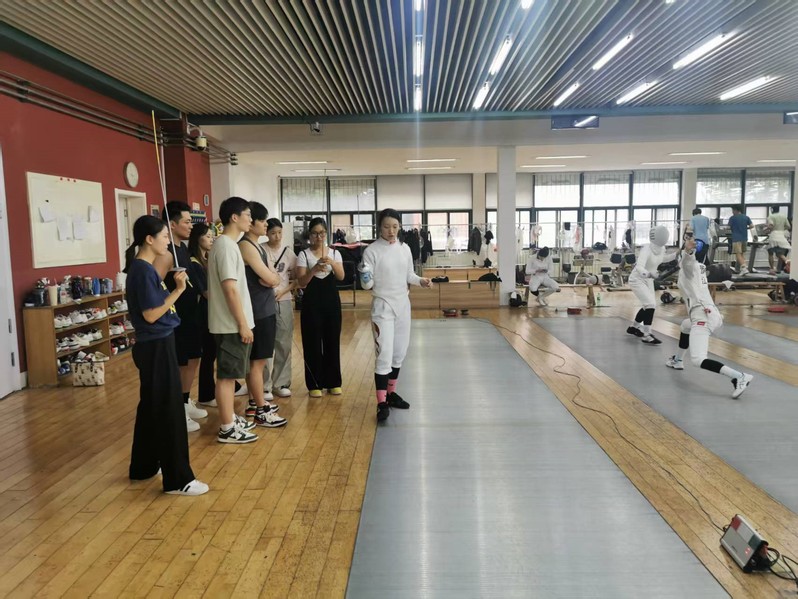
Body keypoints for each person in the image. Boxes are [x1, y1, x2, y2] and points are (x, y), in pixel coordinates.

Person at [124, 215, 208, 496]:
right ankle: (178, 480)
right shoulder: (142, 270)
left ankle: (144, 466)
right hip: (156, 345)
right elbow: (151, 314)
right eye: (163, 237)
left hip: (158, 343)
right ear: (149, 239)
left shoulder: (145, 269)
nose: (167, 243)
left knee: (151, 406)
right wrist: (179, 290)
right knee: (170, 410)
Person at [359, 208, 432, 422]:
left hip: (403, 306)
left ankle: (391, 394)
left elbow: (409, 274)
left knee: (399, 353)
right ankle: (381, 403)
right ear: (379, 227)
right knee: (384, 354)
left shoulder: (405, 248)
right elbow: (367, 285)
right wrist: (365, 276)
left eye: (395, 227)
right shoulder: (371, 251)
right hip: (383, 307)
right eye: (386, 227)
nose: (391, 231)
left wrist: (421, 281)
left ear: (399, 227)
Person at [666, 237, 754, 399]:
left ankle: (739, 376)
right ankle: (678, 360)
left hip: (703, 317)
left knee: (698, 359)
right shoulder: (699, 267)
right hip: (708, 313)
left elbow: (687, 263)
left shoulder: (690, 267)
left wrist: (688, 251)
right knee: (685, 326)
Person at [207, 197, 259, 443]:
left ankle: (230, 419)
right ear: (234, 217)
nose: (251, 219)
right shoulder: (226, 246)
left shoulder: (228, 245)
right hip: (230, 325)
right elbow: (230, 289)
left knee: (231, 375)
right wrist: (242, 324)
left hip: (232, 323)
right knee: (227, 377)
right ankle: (227, 427)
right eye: (247, 214)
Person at [153, 200, 206, 432]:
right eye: (186, 222)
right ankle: (176, 410)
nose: (191, 226)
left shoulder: (183, 248)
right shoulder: (165, 254)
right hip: (176, 318)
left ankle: (184, 401)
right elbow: (153, 285)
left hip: (191, 313)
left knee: (193, 359)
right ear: (172, 225)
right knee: (179, 363)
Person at [238, 202, 287, 428]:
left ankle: (254, 403)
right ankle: (260, 409)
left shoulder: (256, 246)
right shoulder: (246, 246)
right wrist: (271, 278)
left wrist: (271, 278)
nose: (266, 225)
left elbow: (273, 277)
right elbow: (270, 278)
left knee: (258, 361)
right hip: (257, 311)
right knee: (257, 363)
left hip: (264, 309)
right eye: (262, 220)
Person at [295, 217, 344, 397]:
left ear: (326, 234)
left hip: (331, 301)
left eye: (322, 233)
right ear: (310, 235)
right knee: (312, 342)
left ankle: (333, 382)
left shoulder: (335, 253)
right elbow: (301, 282)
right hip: (312, 302)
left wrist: (332, 263)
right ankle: (314, 384)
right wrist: (314, 269)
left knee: (332, 340)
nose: (319, 237)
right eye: (315, 234)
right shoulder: (304, 254)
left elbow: (341, 276)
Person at [263, 218, 297, 398]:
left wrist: (284, 291)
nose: (276, 237)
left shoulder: (289, 253)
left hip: (283, 300)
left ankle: (281, 382)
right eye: (272, 233)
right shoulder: (260, 250)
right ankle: (264, 385)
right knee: (265, 344)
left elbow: (297, 279)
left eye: (279, 233)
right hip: (263, 301)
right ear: (266, 233)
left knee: (283, 342)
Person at [627, 225, 678, 345]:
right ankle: (647, 334)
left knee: (649, 306)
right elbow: (639, 266)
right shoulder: (646, 249)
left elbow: (662, 259)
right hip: (637, 279)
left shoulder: (662, 249)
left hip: (649, 280)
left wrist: (677, 254)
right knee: (650, 304)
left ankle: (633, 328)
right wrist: (648, 274)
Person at [187, 223, 217, 408]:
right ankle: (206, 395)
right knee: (208, 354)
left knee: (213, 353)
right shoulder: (194, 263)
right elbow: (206, 293)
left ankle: (227, 387)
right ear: (197, 238)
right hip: (202, 314)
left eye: (212, 236)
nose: (211, 239)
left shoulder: (206, 260)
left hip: (211, 312)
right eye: (207, 236)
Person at [728, 205, 757, 275]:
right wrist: (744, 227)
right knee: (741, 254)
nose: (732, 212)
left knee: (738, 254)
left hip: (736, 238)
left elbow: (728, 227)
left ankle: (744, 268)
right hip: (744, 238)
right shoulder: (746, 217)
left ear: (736, 210)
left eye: (733, 210)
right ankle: (740, 269)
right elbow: (752, 226)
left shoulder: (732, 218)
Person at [765, 206, 791, 274]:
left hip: (774, 235)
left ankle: (772, 269)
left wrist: (765, 228)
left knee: (770, 253)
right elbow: (788, 226)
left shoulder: (771, 216)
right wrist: (781, 229)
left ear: (772, 210)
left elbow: (771, 225)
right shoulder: (783, 216)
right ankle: (787, 261)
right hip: (781, 235)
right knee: (779, 253)